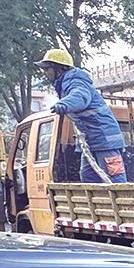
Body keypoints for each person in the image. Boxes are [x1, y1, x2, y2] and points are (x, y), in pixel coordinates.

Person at [36, 48, 127, 183]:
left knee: (114, 180)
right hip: (92, 141)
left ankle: (126, 204)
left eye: (47, 68)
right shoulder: (66, 84)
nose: (45, 73)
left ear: (59, 69)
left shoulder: (76, 82)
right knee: (88, 178)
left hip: (105, 141)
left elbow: (80, 97)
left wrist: (64, 104)